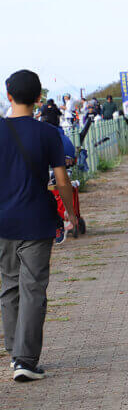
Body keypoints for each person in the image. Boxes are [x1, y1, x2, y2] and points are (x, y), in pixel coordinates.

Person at [1, 70, 79, 382]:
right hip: (36, 221)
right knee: (33, 288)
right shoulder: (48, 133)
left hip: (3, 222)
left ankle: (13, 353)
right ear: (37, 99)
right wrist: (71, 213)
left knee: (8, 287)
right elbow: (61, 180)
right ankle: (26, 359)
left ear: (8, 96)